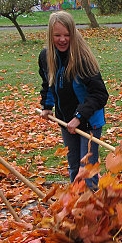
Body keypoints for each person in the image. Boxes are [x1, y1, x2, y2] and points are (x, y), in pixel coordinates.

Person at [38, 11, 108, 190]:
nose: (62, 40)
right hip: (66, 120)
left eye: (67, 35)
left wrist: (79, 117)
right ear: (50, 35)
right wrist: (47, 105)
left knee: (87, 170)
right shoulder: (46, 57)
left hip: (89, 122)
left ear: (73, 34)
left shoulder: (82, 60)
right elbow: (49, 83)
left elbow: (100, 94)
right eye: (57, 35)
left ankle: (93, 203)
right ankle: (76, 203)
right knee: (74, 167)